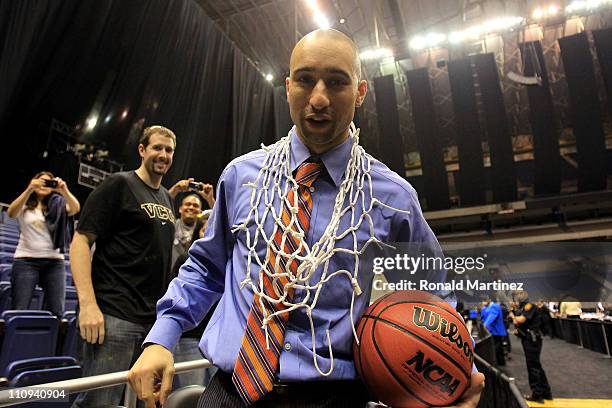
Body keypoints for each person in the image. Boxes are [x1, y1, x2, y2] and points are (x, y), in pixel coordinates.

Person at [128, 29, 484, 408]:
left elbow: (434, 300)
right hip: (231, 391)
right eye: (305, 80)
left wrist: (455, 378)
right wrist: (161, 336)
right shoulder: (241, 176)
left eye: (336, 82)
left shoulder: (392, 197)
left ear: (360, 92)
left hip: (335, 396)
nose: (318, 98)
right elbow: (205, 268)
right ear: (287, 87)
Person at [70, 125, 195, 407]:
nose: (163, 155)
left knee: (147, 401)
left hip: (151, 322)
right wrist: (88, 305)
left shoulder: (165, 197)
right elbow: (80, 241)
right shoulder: (119, 184)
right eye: (157, 148)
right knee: (99, 402)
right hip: (115, 316)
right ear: (142, 150)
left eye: (169, 150)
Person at [7, 171, 80, 316]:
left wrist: (63, 190)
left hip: (54, 263)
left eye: (48, 183)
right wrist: (28, 189)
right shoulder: (26, 204)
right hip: (26, 260)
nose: (44, 185)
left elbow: (75, 208)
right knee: (20, 308)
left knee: (57, 311)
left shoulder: (58, 205)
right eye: (41, 181)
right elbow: (11, 213)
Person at [172, 211, 219, 389]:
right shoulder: (186, 260)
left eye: (212, 230)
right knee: (192, 394)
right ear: (197, 232)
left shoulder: (230, 263)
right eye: (204, 230)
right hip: (190, 338)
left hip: (216, 337)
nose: (208, 235)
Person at [510, 291, 552, 403]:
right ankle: (546, 392)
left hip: (532, 339)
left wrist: (512, 315)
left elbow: (519, 320)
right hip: (530, 339)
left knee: (533, 366)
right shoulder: (524, 307)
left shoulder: (530, 307)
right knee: (536, 365)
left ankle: (537, 394)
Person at [172, 187, 214, 268]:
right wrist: (175, 189)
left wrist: (210, 199)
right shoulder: (171, 225)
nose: (191, 207)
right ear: (180, 209)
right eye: (188, 204)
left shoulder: (203, 232)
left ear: (200, 212)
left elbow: (221, 221)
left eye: (195, 205)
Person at [482, 299, 507, 366]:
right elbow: (484, 316)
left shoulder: (495, 306)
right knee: (497, 347)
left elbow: (492, 316)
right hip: (492, 330)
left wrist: (485, 325)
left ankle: (500, 364)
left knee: (497, 348)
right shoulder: (487, 307)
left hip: (496, 331)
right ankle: (499, 363)